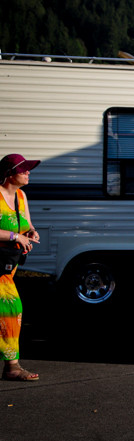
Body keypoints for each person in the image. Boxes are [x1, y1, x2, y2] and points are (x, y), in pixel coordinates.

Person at [1, 153, 42, 381]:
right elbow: (15, 231)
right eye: (23, 169)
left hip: (8, 266)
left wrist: (30, 234)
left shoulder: (21, 196)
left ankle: (11, 366)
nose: (28, 173)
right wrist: (15, 235)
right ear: (9, 173)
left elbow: (27, 225)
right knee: (11, 308)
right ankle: (12, 366)